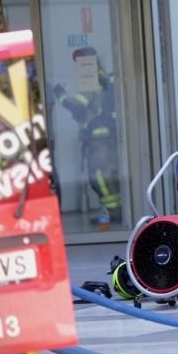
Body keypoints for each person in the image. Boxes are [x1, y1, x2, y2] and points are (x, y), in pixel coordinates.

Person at [53, 47, 122, 225]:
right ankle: (111, 211)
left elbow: (77, 106)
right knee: (102, 176)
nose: (79, 67)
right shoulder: (101, 78)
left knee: (100, 176)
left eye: (82, 62)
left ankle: (114, 212)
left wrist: (60, 95)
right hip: (102, 137)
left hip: (99, 139)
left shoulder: (92, 82)